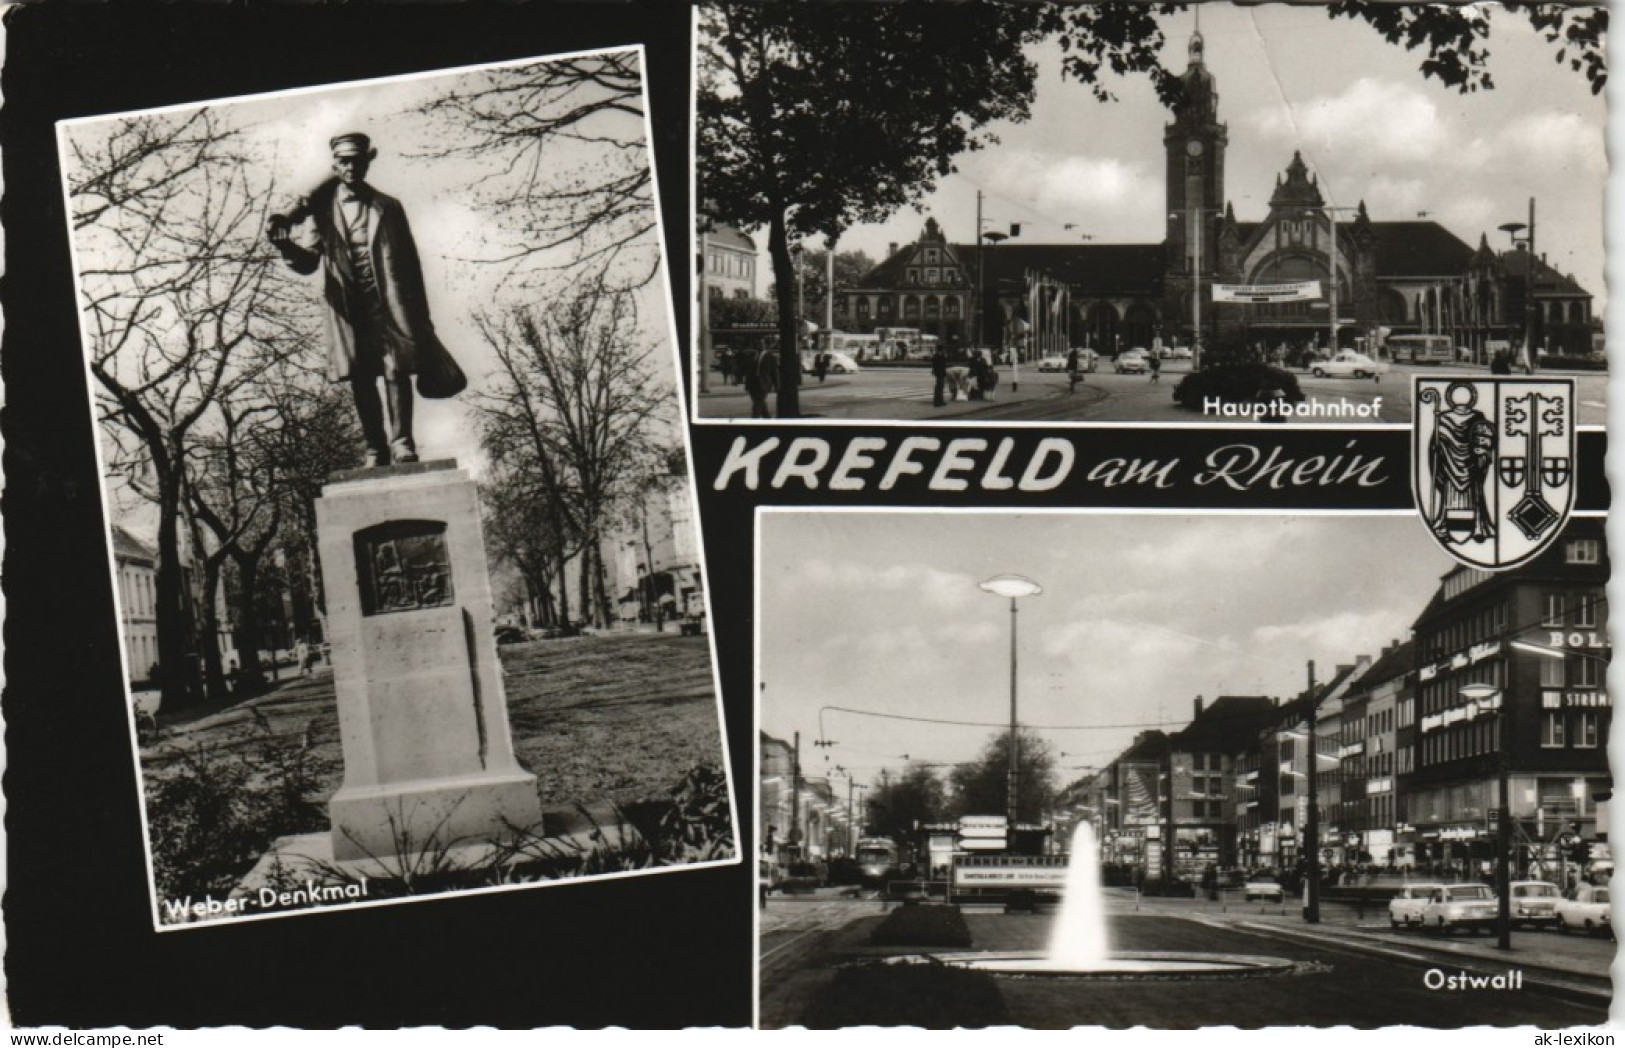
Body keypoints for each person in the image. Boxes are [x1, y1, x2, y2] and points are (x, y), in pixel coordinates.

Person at [268, 132, 465, 468]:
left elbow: (410, 264)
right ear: (334, 164)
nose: (351, 167)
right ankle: (375, 448)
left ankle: (402, 443)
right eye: (344, 161)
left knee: (396, 369)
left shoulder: (388, 206)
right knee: (361, 375)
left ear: (368, 160)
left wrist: (422, 318)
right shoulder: (323, 210)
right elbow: (309, 262)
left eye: (358, 160)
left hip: (389, 302)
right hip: (348, 306)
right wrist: (286, 246)